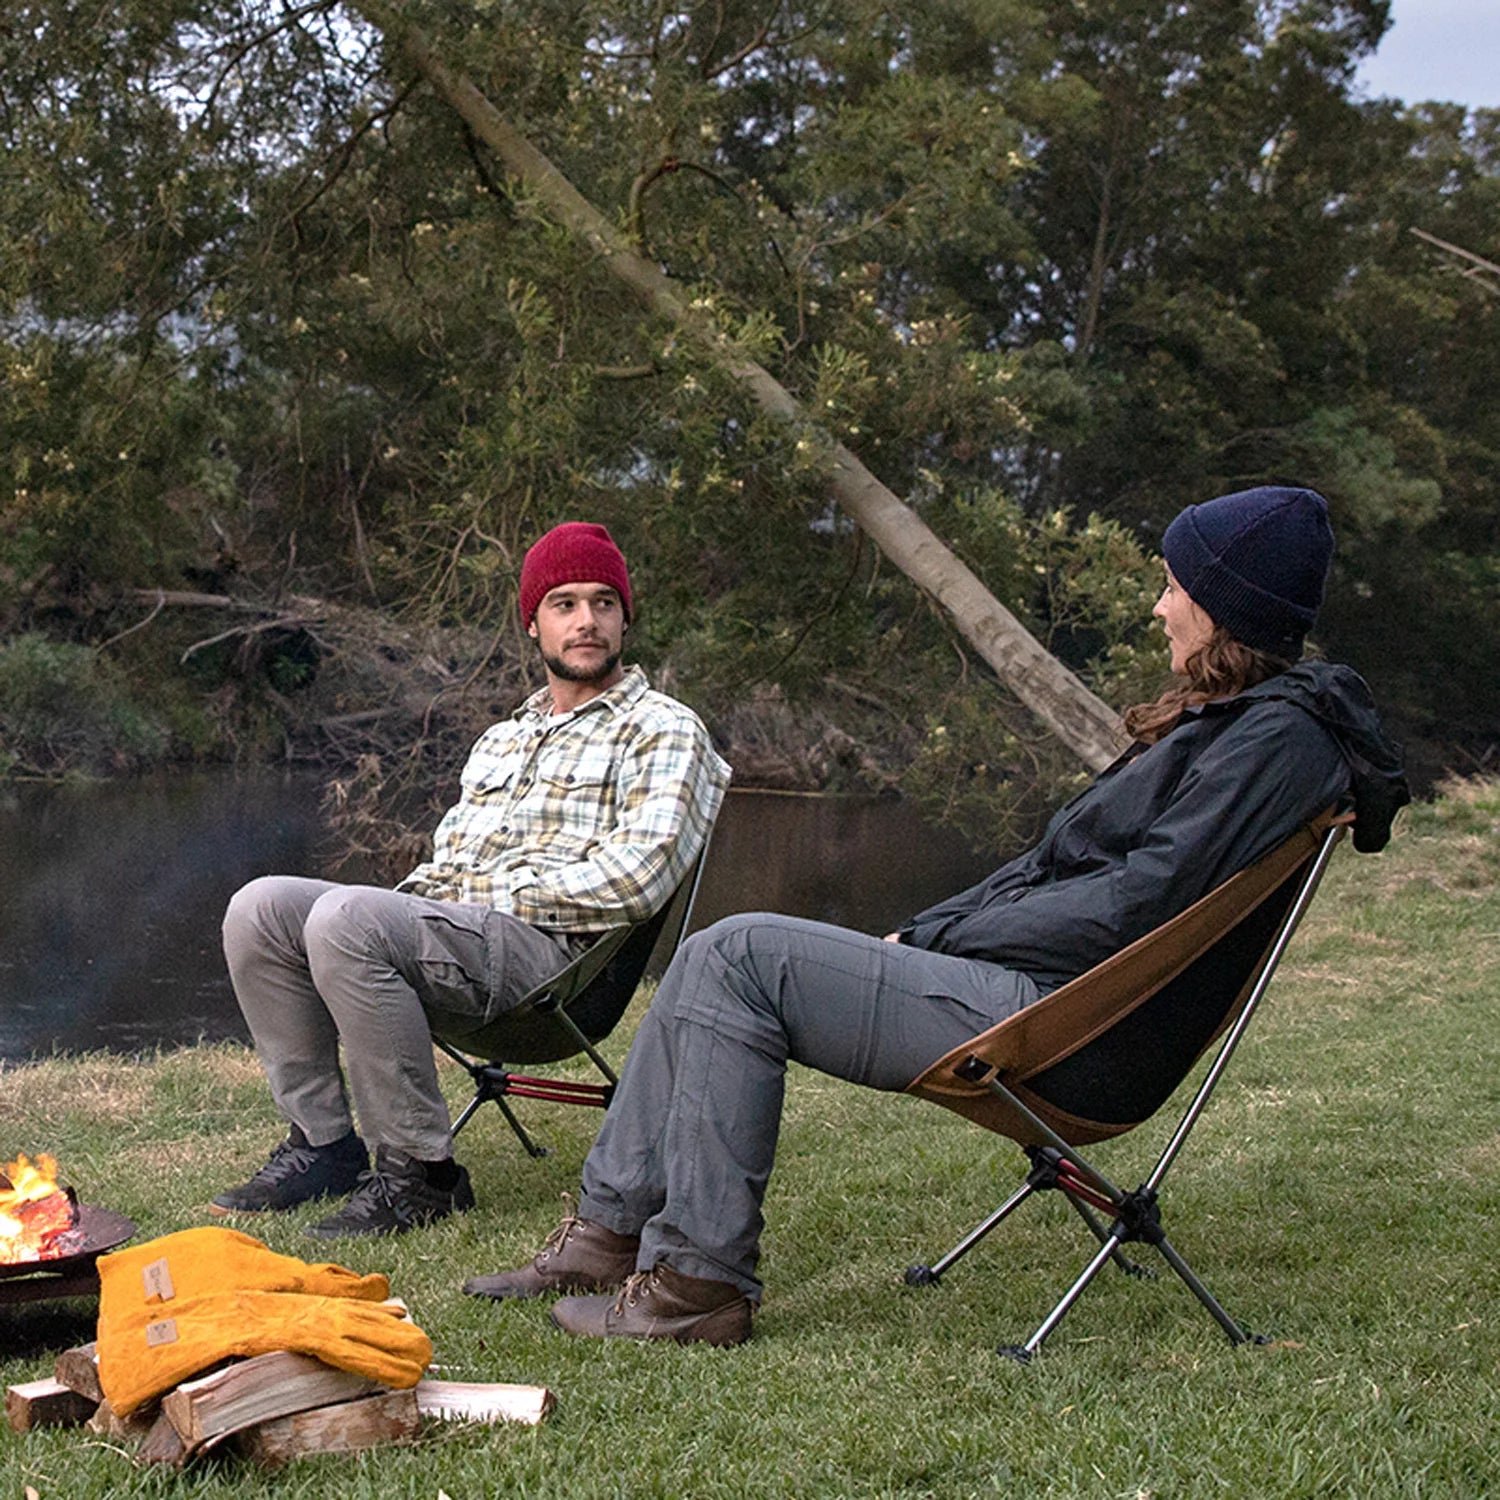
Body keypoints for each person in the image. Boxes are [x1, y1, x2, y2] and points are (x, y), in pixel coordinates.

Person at [461, 485, 1408, 1345]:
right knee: (720, 950)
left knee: (737, 953)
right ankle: (608, 1233)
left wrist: (937, 938)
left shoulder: (1278, 740)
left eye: (1172, 587)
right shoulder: (1240, 722)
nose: (1160, 606)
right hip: (1041, 991)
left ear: (1225, 602)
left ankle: (697, 1285)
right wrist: (923, 930)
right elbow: (1056, 871)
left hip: (1071, 1029)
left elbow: (1130, 910)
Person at [212, 522, 730, 1239]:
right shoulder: (502, 740)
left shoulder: (664, 729)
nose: (586, 620)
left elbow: (633, 883)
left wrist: (466, 901)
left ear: (625, 618)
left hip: (558, 968)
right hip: (469, 944)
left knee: (348, 919)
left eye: (604, 602)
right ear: (532, 622)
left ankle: (422, 1176)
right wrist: (412, 905)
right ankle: (325, 1145)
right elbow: (447, 867)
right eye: (565, 603)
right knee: (260, 907)